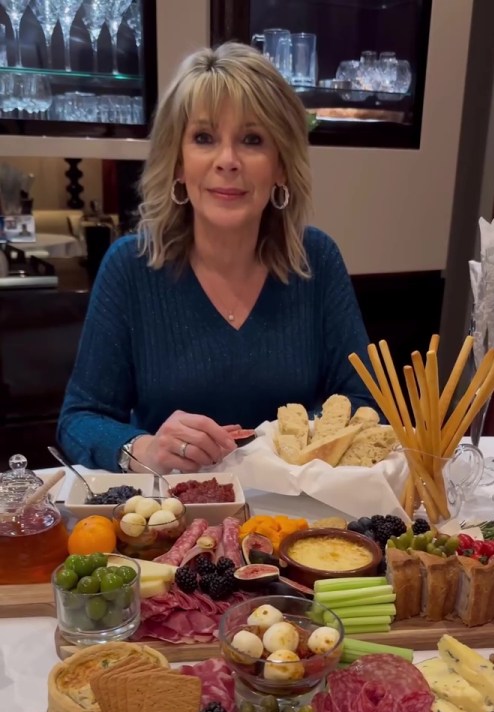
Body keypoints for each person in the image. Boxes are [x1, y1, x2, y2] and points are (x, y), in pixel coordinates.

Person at [58, 42, 378, 473]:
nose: (227, 161)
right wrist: (144, 448)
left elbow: (365, 403)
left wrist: (282, 448)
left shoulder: (316, 258)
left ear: (281, 165)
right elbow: (79, 419)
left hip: (293, 517)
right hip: (168, 517)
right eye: (204, 138)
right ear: (177, 161)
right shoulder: (130, 265)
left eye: (252, 139)